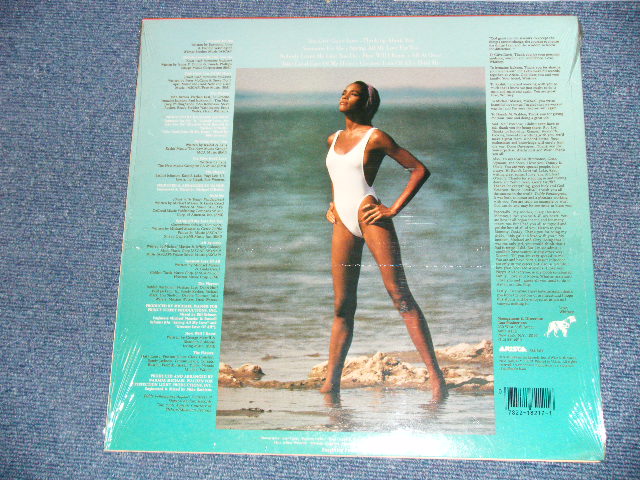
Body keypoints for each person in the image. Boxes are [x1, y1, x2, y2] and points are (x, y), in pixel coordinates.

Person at [321, 81, 447, 403]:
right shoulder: (333, 139)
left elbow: (418, 170)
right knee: (342, 306)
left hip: (370, 215)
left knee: (399, 296)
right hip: (343, 222)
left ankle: (436, 379)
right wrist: (333, 203)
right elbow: (338, 176)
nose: (344, 96)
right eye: (343, 92)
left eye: (352, 94)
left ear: (366, 103)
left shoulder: (376, 137)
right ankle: (330, 385)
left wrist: (392, 209)